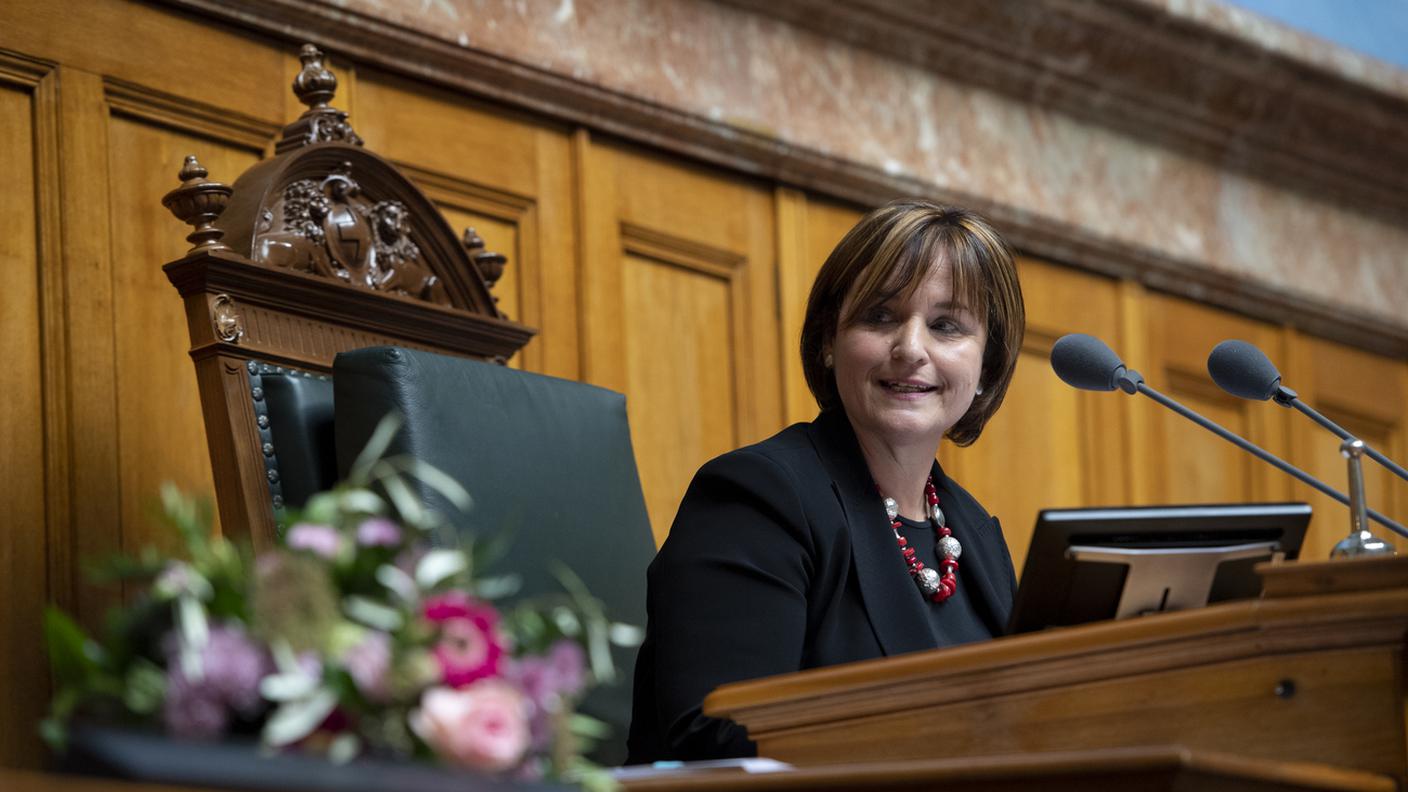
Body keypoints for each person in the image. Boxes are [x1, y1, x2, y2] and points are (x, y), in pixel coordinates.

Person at [626, 200, 1026, 762]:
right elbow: (722, 738)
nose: (911, 349)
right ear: (827, 341)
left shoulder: (974, 533)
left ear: (987, 366)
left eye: (945, 325)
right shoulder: (757, 497)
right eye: (880, 316)